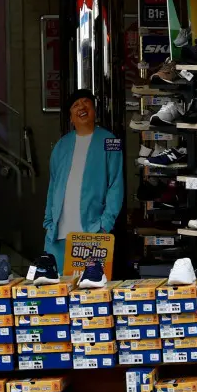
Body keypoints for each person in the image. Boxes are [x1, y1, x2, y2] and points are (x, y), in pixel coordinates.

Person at [43, 90, 124, 270]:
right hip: (58, 234)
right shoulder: (61, 145)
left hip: (93, 231)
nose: (81, 107)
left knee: (91, 290)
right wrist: (49, 222)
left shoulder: (110, 141)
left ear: (94, 110)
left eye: (86, 102)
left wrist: (105, 225)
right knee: (59, 290)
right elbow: (53, 186)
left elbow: (116, 185)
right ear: (70, 117)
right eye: (75, 105)